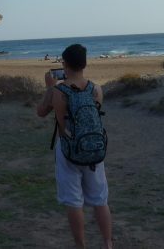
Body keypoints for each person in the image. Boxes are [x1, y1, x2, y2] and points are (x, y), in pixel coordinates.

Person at [36, 43, 113, 249]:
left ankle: (81, 246)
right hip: (94, 150)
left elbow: (41, 112)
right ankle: (108, 244)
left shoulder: (58, 91)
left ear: (65, 64)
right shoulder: (96, 89)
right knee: (100, 199)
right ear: (84, 64)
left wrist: (49, 88)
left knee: (73, 201)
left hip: (68, 149)